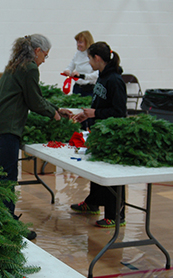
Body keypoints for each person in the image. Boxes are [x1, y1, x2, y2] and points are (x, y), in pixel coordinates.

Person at [0, 34, 72, 240]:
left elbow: (32, 96)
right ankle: (8, 225)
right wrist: (54, 114)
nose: (44, 61)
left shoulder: (15, 65)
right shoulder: (30, 67)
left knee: (3, 175)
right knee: (8, 178)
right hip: (6, 129)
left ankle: (1, 219)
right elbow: (34, 100)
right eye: (45, 56)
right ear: (37, 51)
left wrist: (55, 108)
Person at [71, 42, 127, 228]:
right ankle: (93, 203)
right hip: (98, 130)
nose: (88, 62)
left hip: (111, 134)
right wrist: (86, 114)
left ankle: (115, 215)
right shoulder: (102, 78)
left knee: (111, 173)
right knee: (96, 169)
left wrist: (95, 114)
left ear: (97, 58)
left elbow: (119, 112)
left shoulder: (115, 80)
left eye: (89, 58)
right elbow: (99, 104)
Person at [63, 31, 98, 97]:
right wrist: (67, 70)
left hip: (90, 89)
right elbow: (71, 65)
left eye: (80, 42)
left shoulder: (94, 55)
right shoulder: (77, 54)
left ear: (87, 42)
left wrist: (82, 76)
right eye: (77, 42)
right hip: (77, 88)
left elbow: (97, 74)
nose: (78, 44)